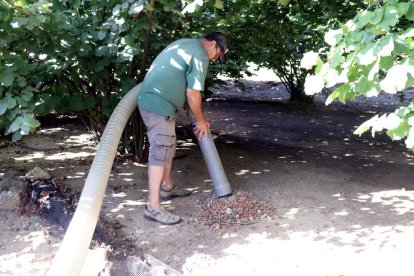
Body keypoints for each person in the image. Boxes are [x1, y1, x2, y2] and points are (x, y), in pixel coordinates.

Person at [137, 32, 229, 225]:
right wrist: (201, 120)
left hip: (160, 102)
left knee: (169, 145)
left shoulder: (186, 44)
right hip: (157, 104)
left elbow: (181, 83)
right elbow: (193, 92)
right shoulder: (200, 54)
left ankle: (168, 186)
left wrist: (193, 113)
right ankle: (153, 207)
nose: (213, 59)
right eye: (216, 54)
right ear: (211, 44)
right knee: (161, 151)